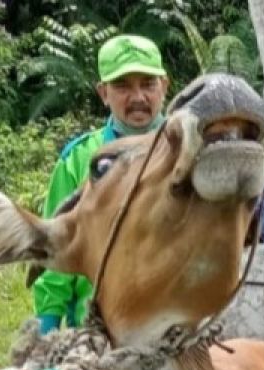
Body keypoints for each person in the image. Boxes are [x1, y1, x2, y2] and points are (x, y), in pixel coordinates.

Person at [34, 34, 171, 335]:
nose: (137, 97)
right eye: (122, 86)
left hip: (175, 331)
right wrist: (46, 334)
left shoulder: (187, 154)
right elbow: (55, 248)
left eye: (147, 83)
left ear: (164, 86)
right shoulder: (79, 159)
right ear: (103, 93)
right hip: (97, 332)